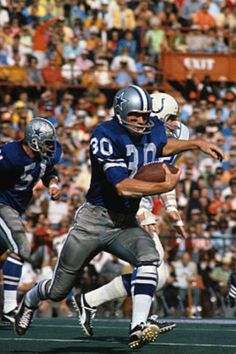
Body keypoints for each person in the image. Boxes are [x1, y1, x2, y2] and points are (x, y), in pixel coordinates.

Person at [14, 85, 224, 350]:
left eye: (146, 115)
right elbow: (123, 186)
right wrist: (163, 187)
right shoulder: (105, 134)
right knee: (58, 290)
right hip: (93, 221)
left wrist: (196, 143)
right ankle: (30, 300)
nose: (142, 121)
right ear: (121, 112)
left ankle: (137, 326)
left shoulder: (153, 128)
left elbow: (162, 144)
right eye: (136, 115)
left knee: (150, 260)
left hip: (124, 221)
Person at [69, 92, 189, 337]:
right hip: (124, 207)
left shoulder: (169, 135)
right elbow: (127, 182)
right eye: (173, 117)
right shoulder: (128, 135)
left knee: (158, 272)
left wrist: (173, 211)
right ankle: (137, 320)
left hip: (137, 203)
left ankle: (94, 302)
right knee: (155, 269)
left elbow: (164, 177)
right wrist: (144, 211)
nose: (176, 123)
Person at [0, 117, 62, 324]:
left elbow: (49, 172)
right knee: (20, 247)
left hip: (15, 209)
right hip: (2, 205)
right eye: (46, 142)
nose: (51, 147)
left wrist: (53, 185)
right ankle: (9, 307)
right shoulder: (10, 155)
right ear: (33, 140)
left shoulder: (44, 155)